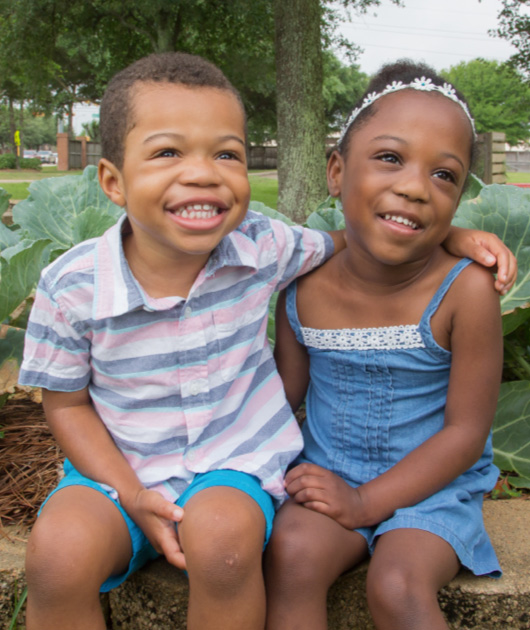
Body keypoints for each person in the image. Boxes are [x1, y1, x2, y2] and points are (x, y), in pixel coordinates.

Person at [18, 52, 513, 630]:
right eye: (168, 152)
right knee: (55, 560)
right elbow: (67, 403)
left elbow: (362, 233)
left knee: (231, 551)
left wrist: (446, 233)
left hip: (233, 466)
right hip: (118, 470)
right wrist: (129, 493)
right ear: (112, 180)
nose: (201, 173)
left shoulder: (265, 250)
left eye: (226, 154)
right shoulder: (71, 287)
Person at [265, 60, 507, 630]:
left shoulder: (465, 292)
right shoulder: (300, 290)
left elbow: (465, 433)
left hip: (432, 489)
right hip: (328, 474)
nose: (414, 187)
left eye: (444, 175)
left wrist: (368, 504)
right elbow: (278, 402)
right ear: (335, 171)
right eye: (390, 158)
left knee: (397, 585)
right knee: (290, 557)